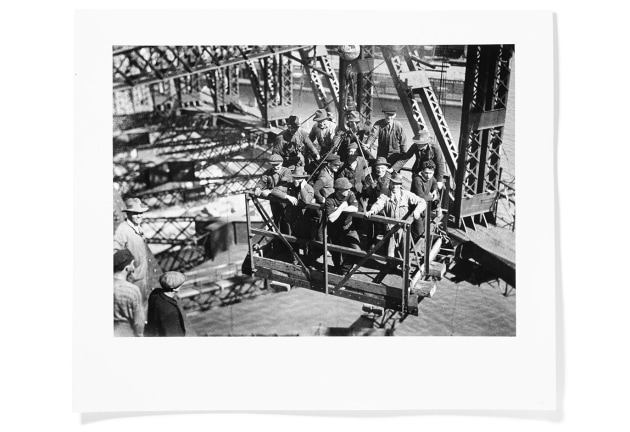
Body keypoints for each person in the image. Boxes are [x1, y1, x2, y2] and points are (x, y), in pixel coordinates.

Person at [113, 197, 163, 307]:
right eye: (135, 213)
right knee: (136, 306)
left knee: (143, 304)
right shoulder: (123, 230)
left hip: (142, 275)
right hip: (132, 278)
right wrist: (127, 270)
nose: (139, 216)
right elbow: (115, 253)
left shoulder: (137, 228)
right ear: (128, 214)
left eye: (141, 213)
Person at [365, 173, 427, 256]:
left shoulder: (406, 195)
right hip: (389, 228)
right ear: (390, 183)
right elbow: (378, 204)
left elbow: (422, 202)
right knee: (389, 253)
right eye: (393, 184)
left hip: (403, 229)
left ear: (400, 185)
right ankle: (390, 266)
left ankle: (402, 267)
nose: (394, 187)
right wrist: (372, 211)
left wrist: (417, 211)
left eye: (397, 184)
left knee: (404, 251)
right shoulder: (384, 195)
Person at [325, 177, 361, 274]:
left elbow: (355, 208)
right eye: (346, 189)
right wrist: (341, 208)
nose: (349, 190)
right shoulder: (330, 199)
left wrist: (338, 210)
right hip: (334, 228)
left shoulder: (350, 194)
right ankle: (338, 271)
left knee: (356, 250)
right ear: (339, 190)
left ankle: (343, 270)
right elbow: (332, 218)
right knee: (336, 252)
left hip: (348, 226)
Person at [254, 154, 293, 233]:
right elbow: (262, 181)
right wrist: (258, 188)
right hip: (274, 202)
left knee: (287, 221)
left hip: (285, 201)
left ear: (282, 163)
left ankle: (289, 240)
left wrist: (270, 191)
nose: (275, 167)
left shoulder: (286, 172)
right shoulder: (268, 172)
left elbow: (283, 187)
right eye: (273, 165)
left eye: (277, 165)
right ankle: (279, 240)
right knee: (276, 220)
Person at [361, 157, 392, 247]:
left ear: (386, 168)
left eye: (382, 168)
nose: (380, 170)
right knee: (371, 225)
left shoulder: (390, 177)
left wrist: (379, 189)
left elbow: (392, 191)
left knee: (386, 227)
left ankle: (387, 245)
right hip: (373, 203)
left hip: (386, 204)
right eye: (378, 168)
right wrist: (371, 188)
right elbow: (365, 193)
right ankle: (371, 244)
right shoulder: (370, 177)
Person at [145, 271, 188, 337]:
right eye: (180, 285)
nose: (182, 286)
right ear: (175, 289)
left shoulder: (155, 293)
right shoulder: (171, 311)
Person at [113, 248, 145, 337]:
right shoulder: (133, 290)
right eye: (132, 264)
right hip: (126, 333)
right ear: (127, 268)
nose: (134, 268)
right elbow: (139, 322)